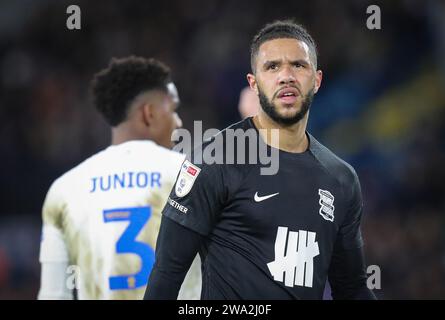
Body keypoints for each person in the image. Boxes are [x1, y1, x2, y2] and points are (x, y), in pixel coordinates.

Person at [144, 20, 376, 300]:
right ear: (254, 84)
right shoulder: (215, 158)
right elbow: (168, 272)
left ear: (317, 81)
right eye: (272, 67)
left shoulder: (341, 178)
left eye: (299, 66)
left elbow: (352, 289)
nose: (286, 76)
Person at [38, 56, 201, 300]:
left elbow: (53, 295)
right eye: (172, 110)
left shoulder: (64, 189)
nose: (178, 121)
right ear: (150, 113)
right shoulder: (191, 175)